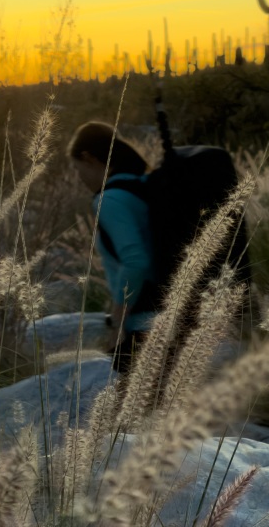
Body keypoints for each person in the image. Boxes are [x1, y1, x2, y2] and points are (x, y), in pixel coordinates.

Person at [68, 121, 156, 374]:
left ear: (89, 158)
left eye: (77, 169)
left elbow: (136, 261)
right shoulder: (142, 185)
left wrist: (118, 320)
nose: (79, 177)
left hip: (143, 324)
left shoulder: (109, 200)